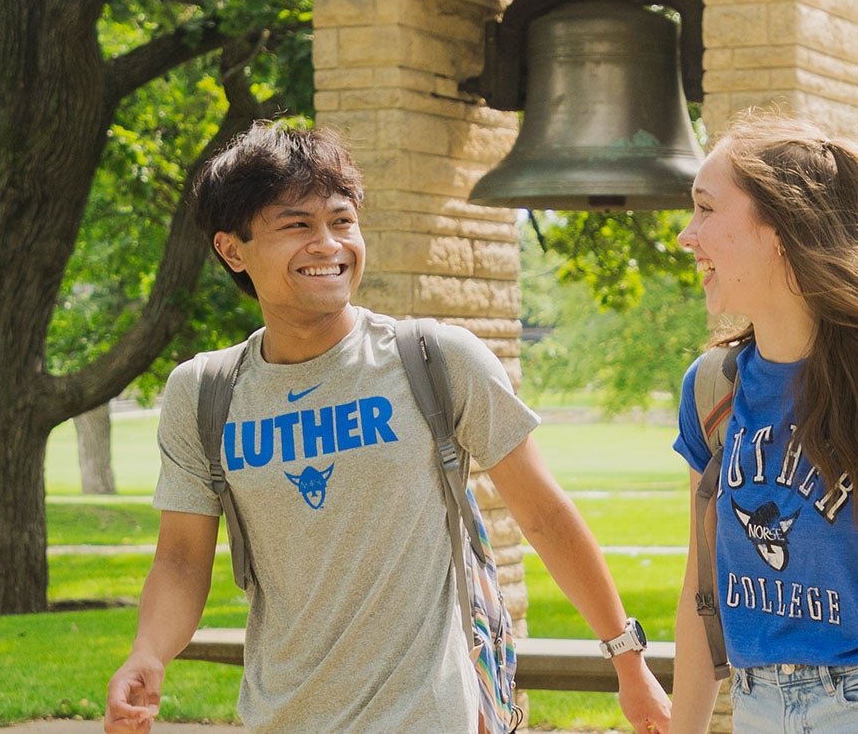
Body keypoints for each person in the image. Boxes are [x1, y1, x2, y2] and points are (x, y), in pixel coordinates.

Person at [105, 121, 671, 734]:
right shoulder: (204, 393)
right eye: (297, 225)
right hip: (281, 717)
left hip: (431, 715)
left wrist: (627, 658)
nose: (329, 244)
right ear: (231, 248)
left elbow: (544, 513)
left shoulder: (434, 358)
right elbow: (184, 559)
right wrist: (148, 651)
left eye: (342, 221)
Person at [670, 108, 858, 732]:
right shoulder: (712, 388)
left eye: (706, 208)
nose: (685, 235)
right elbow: (702, 580)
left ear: (777, 229)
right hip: (753, 706)